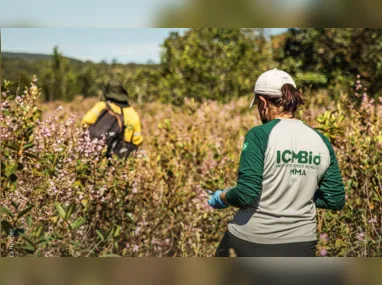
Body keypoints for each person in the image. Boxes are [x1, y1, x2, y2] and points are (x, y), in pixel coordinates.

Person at [208, 68, 345, 257]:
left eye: (257, 104)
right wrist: (301, 196)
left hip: (250, 240)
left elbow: (246, 194)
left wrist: (222, 197)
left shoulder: (259, 135)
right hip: (301, 245)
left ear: (263, 102)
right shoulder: (321, 140)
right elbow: (335, 199)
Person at [82, 79, 143, 158]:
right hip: (120, 155)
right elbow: (137, 140)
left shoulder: (101, 106)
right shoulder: (132, 113)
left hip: (95, 152)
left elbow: (85, 121)